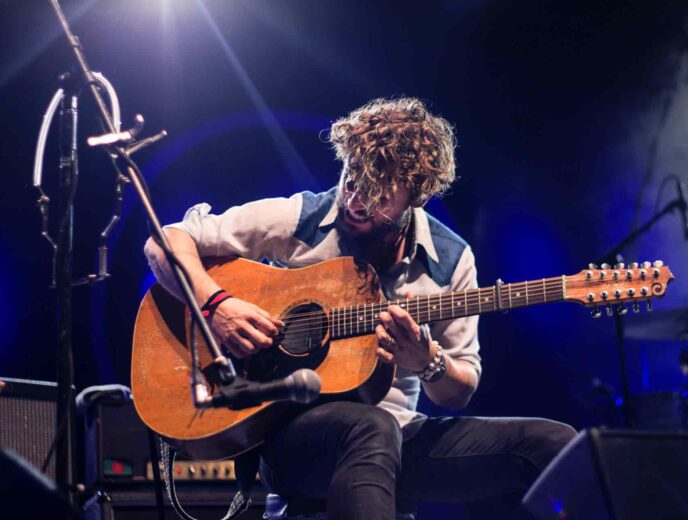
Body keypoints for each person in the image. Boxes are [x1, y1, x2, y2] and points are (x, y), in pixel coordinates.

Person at [144, 97, 576, 519]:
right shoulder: (303, 218)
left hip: (399, 437)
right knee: (371, 427)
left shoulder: (451, 259)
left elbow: (460, 389)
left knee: (554, 441)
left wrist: (428, 363)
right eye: (352, 181)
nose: (354, 203)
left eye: (377, 196)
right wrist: (216, 305)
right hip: (290, 437)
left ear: (417, 198)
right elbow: (165, 241)